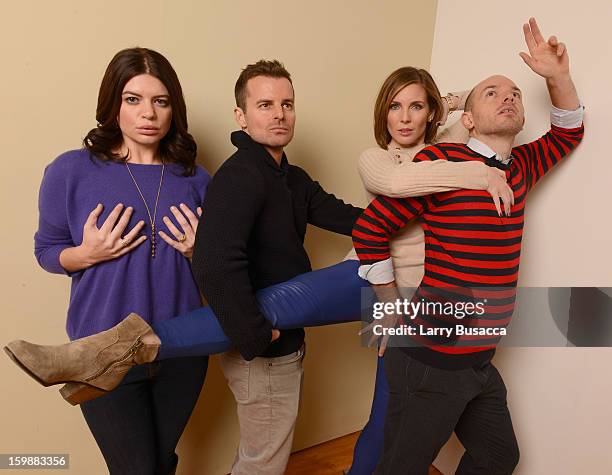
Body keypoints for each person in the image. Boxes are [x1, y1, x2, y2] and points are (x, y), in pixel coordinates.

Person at [352, 18, 583, 474]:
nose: (509, 97)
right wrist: (389, 305)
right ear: (469, 119)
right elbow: (369, 229)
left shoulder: (520, 166)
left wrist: (557, 77)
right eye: (491, 93)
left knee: (499, 457)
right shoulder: (443, 160)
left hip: (478, 359)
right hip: (429, 358)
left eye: (514, 93)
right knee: (401, 465)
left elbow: (568, 131)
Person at [9, 48, 211, 475]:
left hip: (183, 345)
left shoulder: (196, 178)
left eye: (161, 101)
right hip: (101, 349)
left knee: (159, 460)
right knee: (136, 467)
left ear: (174, 108)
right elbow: (46, 249)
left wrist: (201, 252)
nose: (148, 114)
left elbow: (224, 264)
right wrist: (85, 254)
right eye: (133, 99)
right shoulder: (71, 171)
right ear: (112, 104)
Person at [346, 68, 513, 475]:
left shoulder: (443, 148)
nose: (405, 117)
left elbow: (483, 108)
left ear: (430, 114)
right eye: (395, 107)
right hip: (376, 280)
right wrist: (478, 173)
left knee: (387, 413)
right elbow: (399, 182)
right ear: (382, 115)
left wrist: (447, 102)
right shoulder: (379, 159)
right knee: (283, 306)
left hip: (423, 300)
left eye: (416, 106)